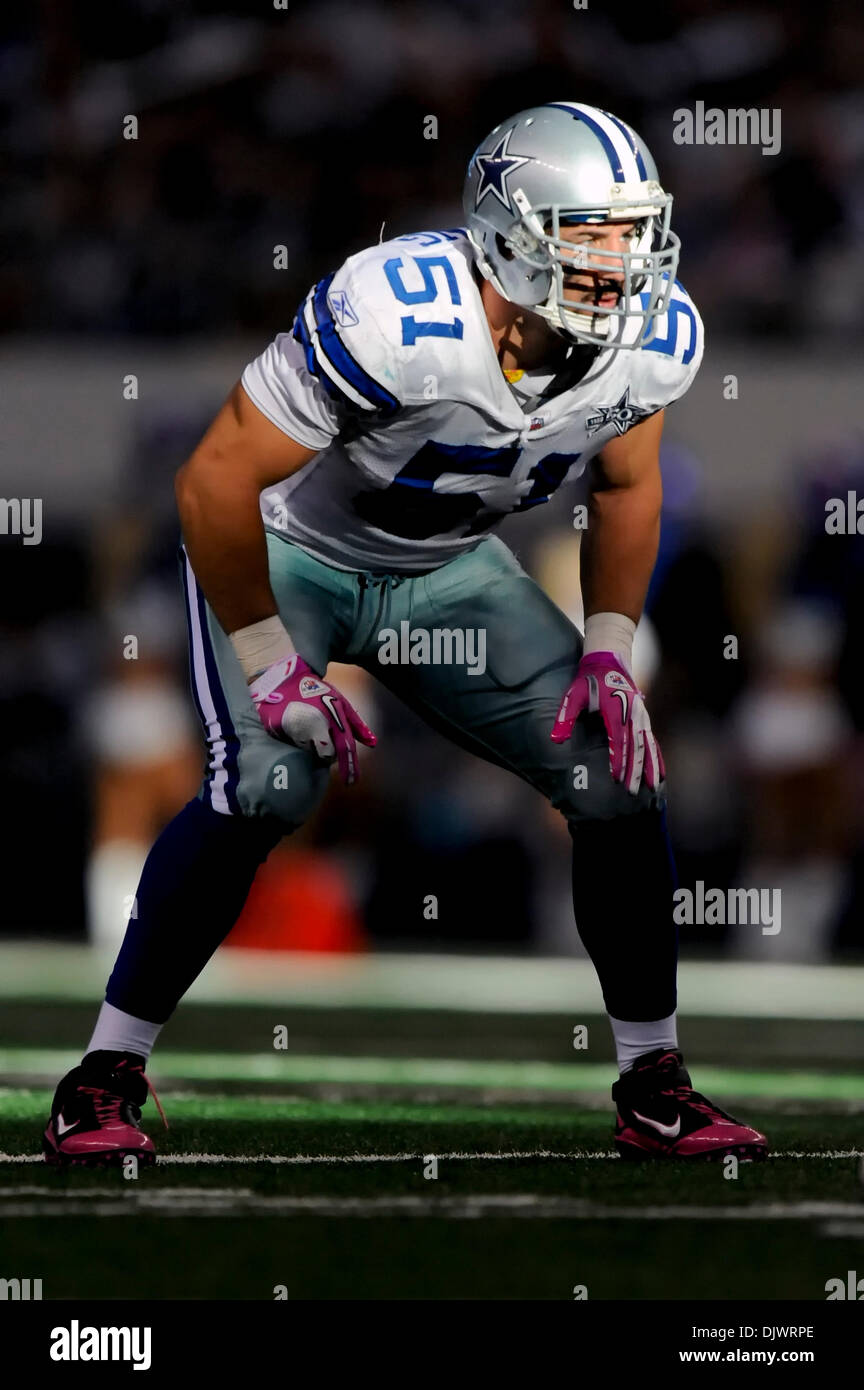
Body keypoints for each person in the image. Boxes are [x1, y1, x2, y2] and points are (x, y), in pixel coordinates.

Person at [44, 102, 766, 1166]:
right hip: (294, 552)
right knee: (270, 782)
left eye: (634, 232)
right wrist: (267, 660)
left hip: (447, 572)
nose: (623, 263)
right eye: (593, 233)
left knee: (616, 770)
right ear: (511, 231)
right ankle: (102, 1074)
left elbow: (628, 482)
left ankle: (654, 1082)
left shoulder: (650, 336)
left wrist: (609, 642)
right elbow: (214, 482)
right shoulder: (397, 316)